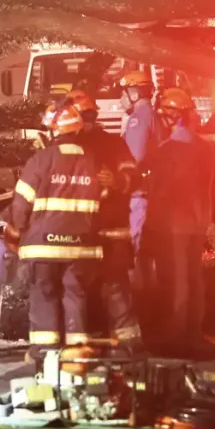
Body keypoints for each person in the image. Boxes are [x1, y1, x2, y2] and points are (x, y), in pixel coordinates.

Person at [11, 103, 104, 356]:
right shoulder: (94, 160)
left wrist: (21, 228)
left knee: (44, 292)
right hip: (82, 246)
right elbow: (105, 198)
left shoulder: (41, 160)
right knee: (76, 294)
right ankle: (78, 348)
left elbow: (21, 203)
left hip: (44, 245)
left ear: (53, 130)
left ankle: (46, 347)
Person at [66, 89, 144, 351]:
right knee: (77, 287)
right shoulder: (63, 147)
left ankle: (128, 343)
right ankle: (84, 340)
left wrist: (117, 181)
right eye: (82, 115)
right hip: (77, 230)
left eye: (90, 115)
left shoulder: (113, 144)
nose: (87, 120)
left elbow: (134, 177)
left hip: (110, 230)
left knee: (115, 286)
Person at [144, 87, 214, 358]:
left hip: (171, 224)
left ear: (171, 116)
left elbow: (162, 189)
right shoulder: (204, 147)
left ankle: (175, 339)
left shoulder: (168, 150)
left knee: (175, 281)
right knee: (194, 279)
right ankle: (193, 334)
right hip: (197, 222)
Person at [118, 70, 166, 314]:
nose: (121, 99)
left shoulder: (138, 120)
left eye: (123, 93)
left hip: (139, 195)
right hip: (153, 194)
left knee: (138, 252)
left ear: (134, 93)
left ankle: (142, 308)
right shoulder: (154, 117)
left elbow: (133, 161)